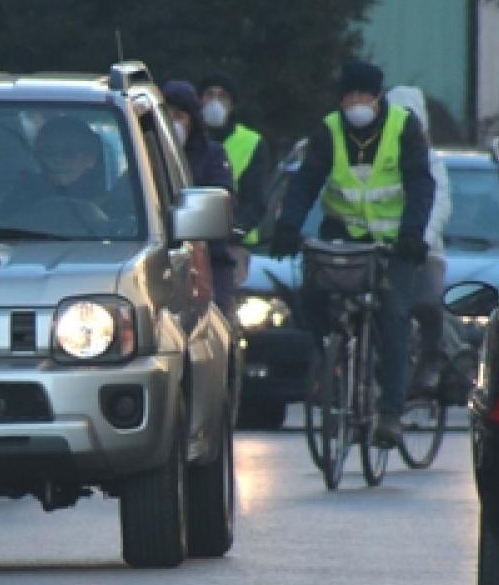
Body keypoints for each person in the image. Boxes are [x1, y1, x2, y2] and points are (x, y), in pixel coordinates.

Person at [270, 59, 436, 448]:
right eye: (349, 96)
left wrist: (413, 233)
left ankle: (391, 411)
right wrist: (288, 225)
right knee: (311, 294)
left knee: (394, 314)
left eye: (363, 95)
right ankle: (330, 362)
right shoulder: (329, 130)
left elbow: (420, 184)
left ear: (378, 97)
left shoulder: (404, 128)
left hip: (394, 242)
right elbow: (307, 180)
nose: (355, 104)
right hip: (342, 234)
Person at [386, 84, 452, 395]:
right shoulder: (378, 156)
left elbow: (439, 205)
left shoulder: (432, 161)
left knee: (427, 301)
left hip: (424, 250)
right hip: (383, 249)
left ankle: (431, 356)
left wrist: (420, 240)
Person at [162, 80, 237, 313]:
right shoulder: (144, 157)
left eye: (180, 116)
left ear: (192, 120)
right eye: (167, 116)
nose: (173, 123)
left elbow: (224, 201)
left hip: (209, 262)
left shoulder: (211, 154)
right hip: (161, 261)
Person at [198, 71, 274, 240]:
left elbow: (255, 200)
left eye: (222, 96)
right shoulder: (187, 139)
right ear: (199, 101)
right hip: (194, 238)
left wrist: (236, 228)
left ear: (232, 105)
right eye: (209, 95)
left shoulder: (252, 142)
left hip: (238, 242)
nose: (214, 102)